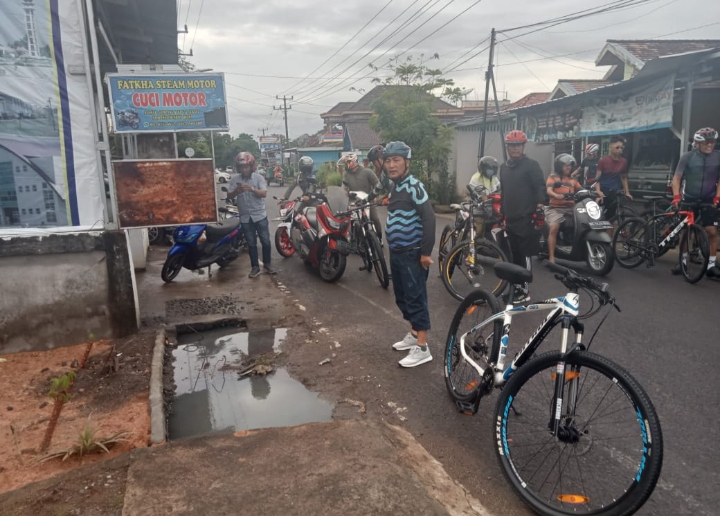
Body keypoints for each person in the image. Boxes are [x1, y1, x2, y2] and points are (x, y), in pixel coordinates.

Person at [384, 142, 436, 368]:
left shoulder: (415, 186)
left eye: (396, 160)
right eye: (388, 160)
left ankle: (423, 348)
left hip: (413, 253)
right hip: (397, 253)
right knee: (401, 297)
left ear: (407, 162)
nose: (391, 165)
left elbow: (429, 219)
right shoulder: (395, 187)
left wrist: (425, 253)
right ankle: (414, 334)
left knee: (416, 298)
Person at [498, 130, 546, 303]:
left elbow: (540, 188)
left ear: (523, 146)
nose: (515, 149)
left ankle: (525, 290)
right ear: (508, 147)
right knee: (515, 254)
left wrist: (540, 210)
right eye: (512, 146)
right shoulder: (504, 168)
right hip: (511, 218)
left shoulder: (531, 165)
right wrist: (502, 214)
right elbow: (504, 192)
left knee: (525, 255)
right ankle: (517, 285)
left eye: (518, 145)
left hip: (527, 218)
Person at [670, 127, 720, 278]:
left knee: (712, 232)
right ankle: (682, 262)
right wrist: (677, 196)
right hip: (689, 199)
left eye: (712, 142)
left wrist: (717, 197)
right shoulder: (687, 157)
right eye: (705, 142)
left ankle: (711, 266)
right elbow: (677, 178)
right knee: (686, 233)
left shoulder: (718, 157)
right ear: (697, 143)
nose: (709, 145)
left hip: (708, 199)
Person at [226, 152, 276, 278]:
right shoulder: (235, 180)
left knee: (265, 241)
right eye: (242, 167)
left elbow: (264, 193)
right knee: (251, 243)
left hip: (259, 215)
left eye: (247, 167)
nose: (244, 169)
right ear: (238, 168)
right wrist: (236, 191)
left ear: (252, 166)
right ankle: (255, 267)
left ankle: (268, 264)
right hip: (245, 217)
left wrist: (252, 189)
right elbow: (229, 195)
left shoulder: (258, 178)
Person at [546, 154, 582, 263]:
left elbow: (580, 190)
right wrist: (556, 195)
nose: (568, 167)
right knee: (554, 228)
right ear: (559, 166)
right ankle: (551, 257)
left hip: (571, 209)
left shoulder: (573, 180)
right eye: (565, 165)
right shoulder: (553, 177)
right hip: (555, 209)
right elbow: (549, 190)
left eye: (570, 165)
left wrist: (594, 193)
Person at [340, 152, 384, 243]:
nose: (347, 165)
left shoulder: (367, 171)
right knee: (349, 220)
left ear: (355, 162)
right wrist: (343, 193)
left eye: (349, 162)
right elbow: (343, 187)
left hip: (368, 200)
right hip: (354, 202)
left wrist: (375, 196)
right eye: (346, 163)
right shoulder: (346, 175)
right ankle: (353, 239)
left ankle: (379, 237)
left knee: (374, 218)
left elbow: (377, 184)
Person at [595, 136, 632, 222]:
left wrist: (627, 192)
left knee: (611, 218)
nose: (620, 150)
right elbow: (597, 179)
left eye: (621, 148)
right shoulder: (603, 161)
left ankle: (610, 235)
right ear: (610, 147)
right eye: (617, 147)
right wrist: (598, 191)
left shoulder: (624, 161)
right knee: (599, 217)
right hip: (603, 191)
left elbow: (624, 177)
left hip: (615, 192)